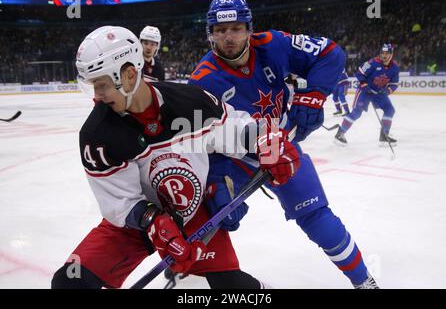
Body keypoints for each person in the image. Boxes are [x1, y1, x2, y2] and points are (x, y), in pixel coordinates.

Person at [51, 26, 299, 289]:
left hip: (191, 214)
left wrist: (269, 144)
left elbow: (236, 130)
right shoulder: (98, 133)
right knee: (69, 282)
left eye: (101, 85)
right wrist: (152, 221)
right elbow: (121, 202)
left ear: (129, 74)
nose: (97, 96)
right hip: (136, 224)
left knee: (232, 287)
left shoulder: (189, 102)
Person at [188, 0, 379, 289]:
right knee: (203, 214)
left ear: (249, 29)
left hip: (283, 149)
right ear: (210, 34)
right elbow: (203, 141)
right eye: (220, 30)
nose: (228, 37)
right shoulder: (203, 80)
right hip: (235, 158)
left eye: (236, 28)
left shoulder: (274, 44)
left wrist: (313, 94)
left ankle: (363, 280)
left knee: (315, 216)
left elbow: (331, 53)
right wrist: (215, 182)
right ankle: (201, 268)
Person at [335, 44, 399, 146]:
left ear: (391, 54)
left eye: (387, 53)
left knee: (390, 110)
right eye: (382, 53)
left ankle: (384, 136)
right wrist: (365, 86)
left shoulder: (394, 68)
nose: (384, 55)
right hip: (365, 91)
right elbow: (359, 74)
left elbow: (394, 84)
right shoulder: (373, 63)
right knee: (357, 112)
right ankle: (340, 134)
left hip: (379, 93)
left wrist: (386, 91)